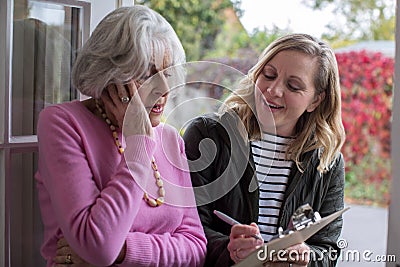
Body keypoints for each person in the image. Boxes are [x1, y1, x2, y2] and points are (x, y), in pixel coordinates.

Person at [35, 5, 206, 267]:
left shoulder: (171, 139)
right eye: (146, 75)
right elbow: (100, 246)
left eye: (167, 73)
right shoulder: (62, 123)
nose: (163, 89)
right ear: (110, 74)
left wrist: (125, 250)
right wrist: (138, 144)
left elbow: (196, 248)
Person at [183, 33, 346, 266]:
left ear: (315, 101)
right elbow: (185, 228)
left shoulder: (327, 162)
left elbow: (328, 250)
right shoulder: (208, 135)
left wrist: (307, 257)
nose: (273, 90)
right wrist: (228, 249)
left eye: (293, 86)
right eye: (268, 75)